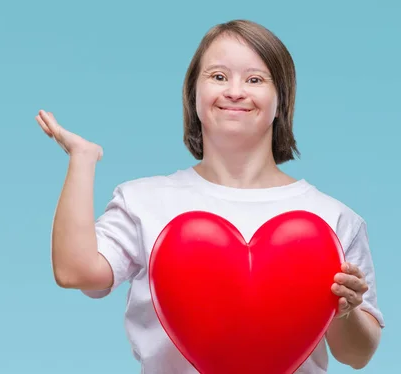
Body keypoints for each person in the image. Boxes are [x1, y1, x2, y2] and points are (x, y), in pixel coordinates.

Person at [35, 19, 384, 374]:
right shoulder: (144, 200)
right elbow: (75, 271)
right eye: (218, 76)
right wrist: (82, 159)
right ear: (193, 96)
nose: (234, 91)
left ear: (281, 101)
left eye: (255, 79)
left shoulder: (332, 219)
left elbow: (357, 355)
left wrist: (347, 308)